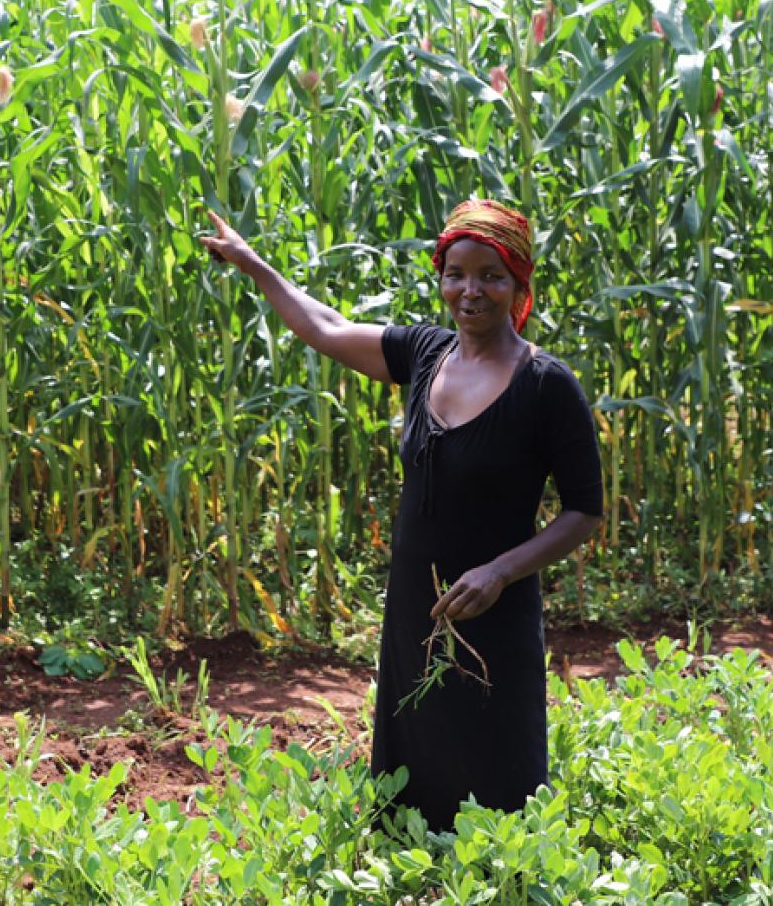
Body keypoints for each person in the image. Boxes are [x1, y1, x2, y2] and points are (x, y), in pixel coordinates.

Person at [199, 198, 604, 832]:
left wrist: (499, 573)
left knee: (498, 772)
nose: (470, 291)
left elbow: (585, 510)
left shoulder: (546, 386)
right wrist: (254, 265)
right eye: (456, 274)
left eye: (492, 276)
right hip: (416, 601)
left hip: (494, 609)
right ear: (442, 277)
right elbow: (327, 328)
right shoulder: (423, 354)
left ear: (519, 284)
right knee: (414, 765)